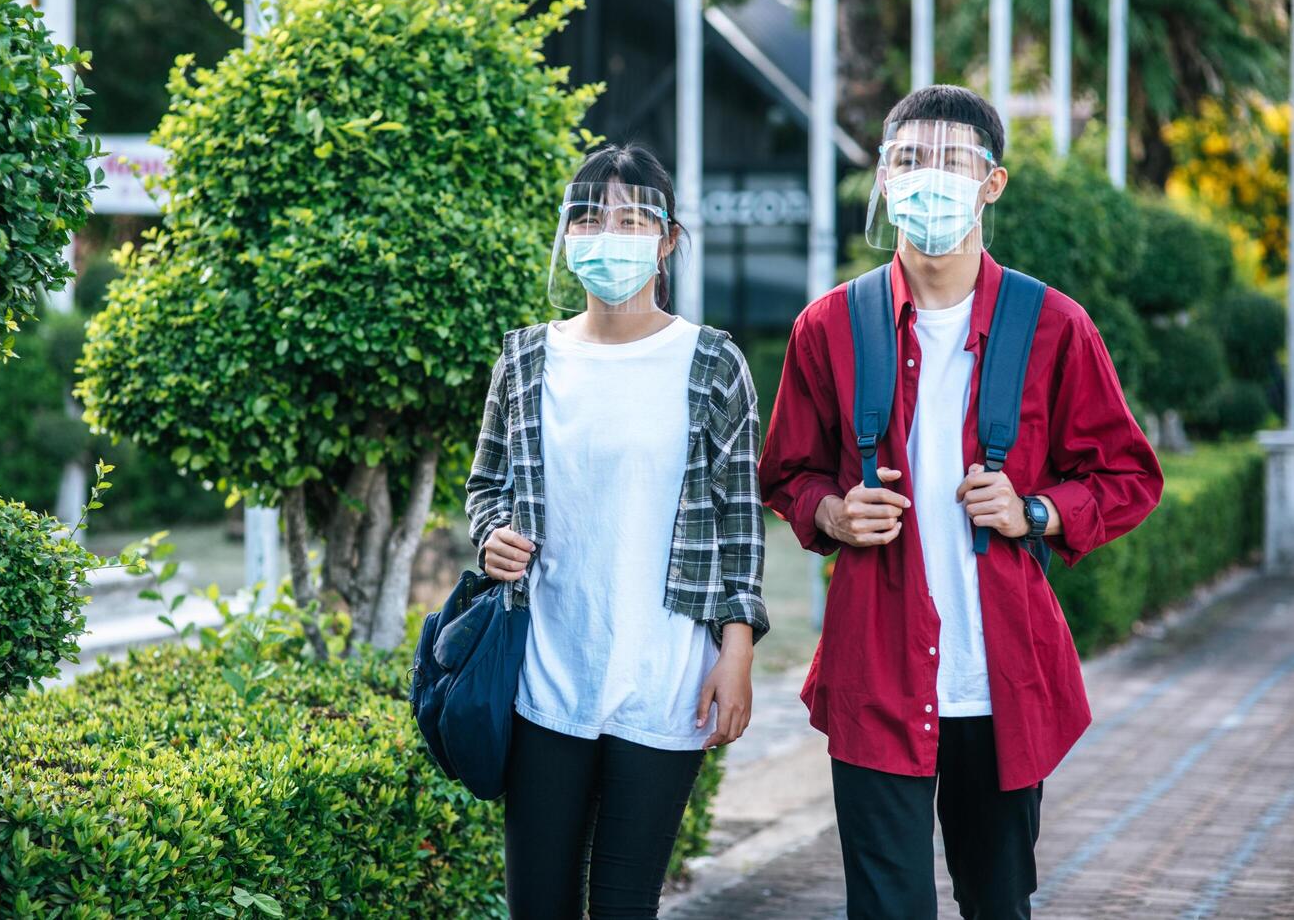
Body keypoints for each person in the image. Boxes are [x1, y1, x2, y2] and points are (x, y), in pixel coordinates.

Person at [758, 85, 1164, 919]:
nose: (926, 178)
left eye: (951, 161)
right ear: (881, 176)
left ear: (992, 182)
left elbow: (1128, 475)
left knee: (996, 903)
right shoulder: (828, 325)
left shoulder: (1054, 324)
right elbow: (786, 473)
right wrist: (831, 514)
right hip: (874, 668)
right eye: (908, 160)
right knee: (884, 907)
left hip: (1001, 678)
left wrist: (1035, 512)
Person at [464, 143, 769, 919]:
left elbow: (740, 519)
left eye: (632, 218)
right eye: (591, 217)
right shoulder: (527, 359)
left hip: (663, 675)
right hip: (545, 676)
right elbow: (486, 487)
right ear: (567, 236)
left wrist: (735, 653)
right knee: (539, 905)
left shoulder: (709, 362)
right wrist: (491, 534)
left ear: (666, 240)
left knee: (627, 906)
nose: (610, 233)